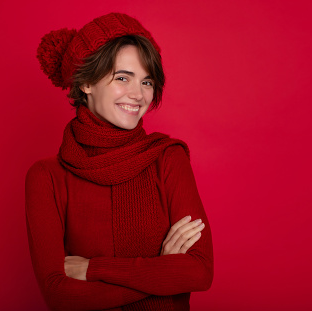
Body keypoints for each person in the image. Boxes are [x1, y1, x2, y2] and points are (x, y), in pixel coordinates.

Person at [25, 12, 213, 311]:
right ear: (85, 82)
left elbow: (199, 272)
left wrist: (93, 269)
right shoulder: (46, 176)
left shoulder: (168, 157)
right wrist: (161, 272)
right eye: (122, 77)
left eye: (147, 81)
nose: (138, 94)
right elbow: (59, 296)